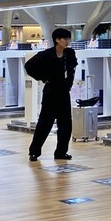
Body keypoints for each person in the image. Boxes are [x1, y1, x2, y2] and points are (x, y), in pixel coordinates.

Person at [26, 28, 78, 162]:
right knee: (44, 123)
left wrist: (69, 83)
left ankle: (61, 152)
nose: (67, 41)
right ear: (57, 40)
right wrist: (43, 77)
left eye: (68, 39)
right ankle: (34, 152)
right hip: (51, 92)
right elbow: (29, 66)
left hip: (64, 92)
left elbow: (72, 69)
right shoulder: (47, 54)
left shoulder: (70, 53)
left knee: (66, 124)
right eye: (65, 39)